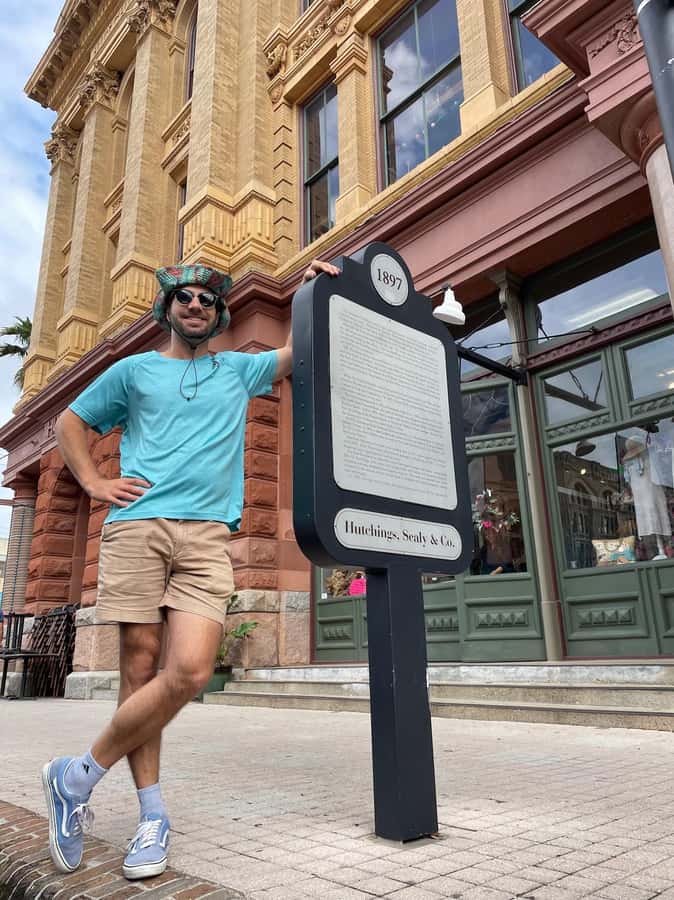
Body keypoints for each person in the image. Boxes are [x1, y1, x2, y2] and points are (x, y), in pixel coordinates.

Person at [42, 258, 339, 880]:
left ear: (219, 312)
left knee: (191, 671)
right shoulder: (134, 371)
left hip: (206, 539)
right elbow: (69, 422)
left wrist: (313, 289)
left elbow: (296, 351)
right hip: (138, 527)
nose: (196, 305)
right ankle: (152, 816)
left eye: (207, 298)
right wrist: (94, 482)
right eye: (186, 297)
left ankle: (76, 777)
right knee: (138, 669)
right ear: (169, 308)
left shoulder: (238, 369)